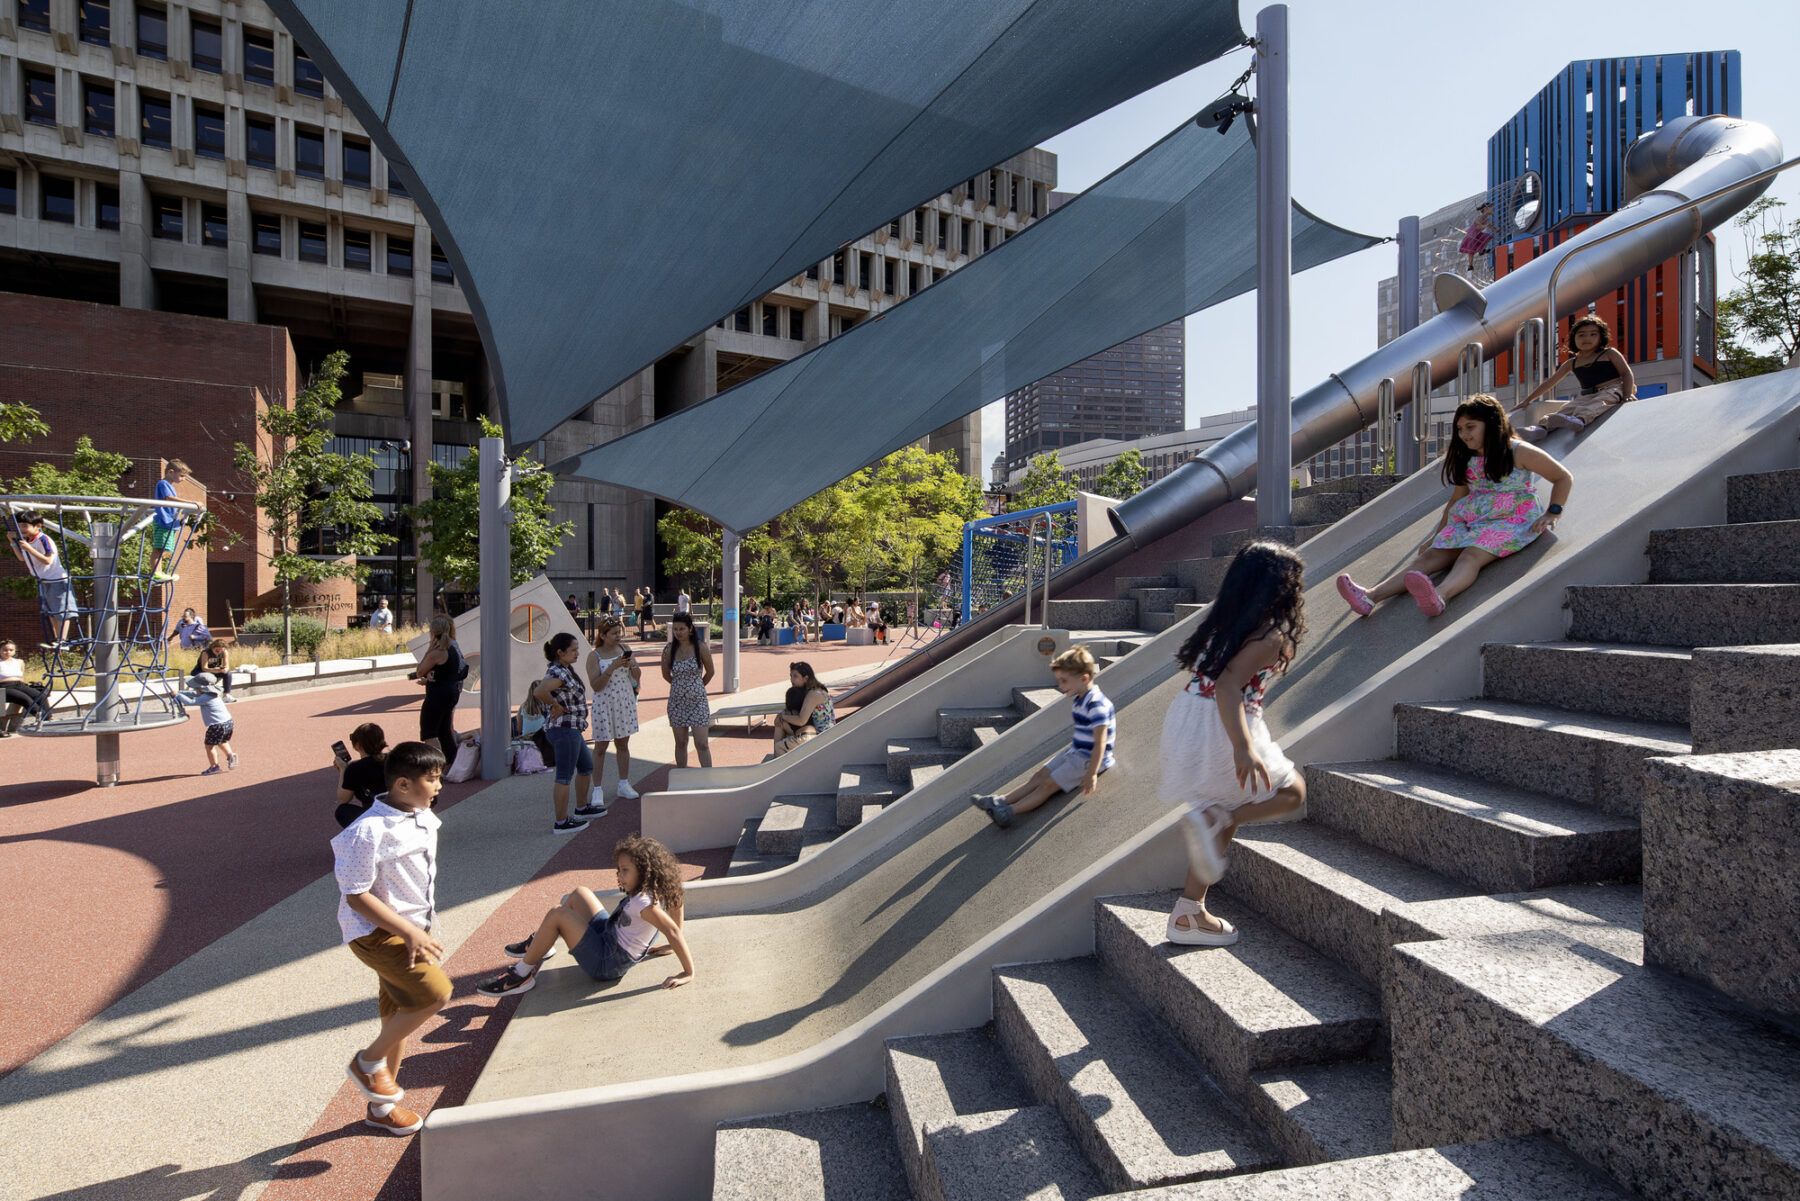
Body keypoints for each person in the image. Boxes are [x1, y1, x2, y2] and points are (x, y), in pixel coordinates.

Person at [1159, 542, 1309, 947]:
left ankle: (1190, 913)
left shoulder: (1228, 619)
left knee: (1220, 807)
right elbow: (1228, 686)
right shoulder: (1269, 635)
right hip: (1223, 720)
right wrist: (1243, 746)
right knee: (1293, 792)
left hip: (1190, 714)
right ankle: (1220, 821)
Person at [1336, 395, 1573, 618]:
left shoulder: (1518, 451)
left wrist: (1553, 511)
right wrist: (1438, 536)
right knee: (1428, 558)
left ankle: (1439, 595)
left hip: (1511, 519)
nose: (1464, 434)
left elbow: (1562, 477)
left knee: (1470, 555)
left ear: (1491, 424)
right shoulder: (1467, 459)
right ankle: (1370, 597)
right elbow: (1456, 501)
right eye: (1460, 429)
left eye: (1470, 427)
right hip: (1476, 519)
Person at [332, 741, 451, 1136]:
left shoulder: (423, 815)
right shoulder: (366, 831)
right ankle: (367, 1063)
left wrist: (420, 926)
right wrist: (409, 931)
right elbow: (356, 895)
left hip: (412, 928)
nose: (438, 785)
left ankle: (381, 1109)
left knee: (396, 1015)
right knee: (436, 994)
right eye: (431, 779)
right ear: (402, 784)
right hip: (377, 934)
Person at [477, 833, 694, 997]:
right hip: (610, 935)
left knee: (557, 914)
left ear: (645, 870)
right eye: (618, 869)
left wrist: (687, 972)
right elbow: (677, 899)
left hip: (607, 964)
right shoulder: (654, 887)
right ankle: (542, 944)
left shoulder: (645, 904)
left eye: (625, 870)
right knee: (580, 893)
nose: (619, 876)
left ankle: (521, 975)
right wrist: (670, 945)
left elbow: (672, 930)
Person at [970, 645, 1114, 828]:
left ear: (1083, 678)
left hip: (1090, 759)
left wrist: (1092, 773)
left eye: (1064, 681)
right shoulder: (1080, 697)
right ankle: (1001, 801)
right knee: (1040, 775)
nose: (1061, 686)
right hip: (1076, 750)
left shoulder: (1096, 705)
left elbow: (1100, 743)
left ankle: (1009, 812)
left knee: (1048, 785)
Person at [1514, 315, 1638, 441]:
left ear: (1601, 338)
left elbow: (1626, 373)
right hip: (1587, 395)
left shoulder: (1609, 353)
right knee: (1567, 409)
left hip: (1613, 389)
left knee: (1599, 403)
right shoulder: (1572, 362)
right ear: (1573, 339)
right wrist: (1528, 400)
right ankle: (1542, 428)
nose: (1586, 338)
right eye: (1581, 335)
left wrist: (1627, 394)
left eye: (1593, 334)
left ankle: (1580, 420)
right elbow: (1551, 382)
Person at [536, 631, 604, 834]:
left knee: (586, 766)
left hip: (572, 728)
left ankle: (582, 808)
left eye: (577, 649)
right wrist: (554, 704)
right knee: (564, 776)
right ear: (560, 652)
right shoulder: (558, 672)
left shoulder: (564, 669)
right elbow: (539, 691)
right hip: (564, 729)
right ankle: (561, 822)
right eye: (573, 650)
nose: (577, 653)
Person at [586, 617, 642, 804]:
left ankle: (624, 783)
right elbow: (596, 686)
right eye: (614, 633)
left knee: (623, 744)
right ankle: (597, 789)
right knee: (601, 746)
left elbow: (637, 675)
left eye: (620, 632)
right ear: (602, 635)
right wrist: (612, 667)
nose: (619, 636)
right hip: (604, 704)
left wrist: (631, 665)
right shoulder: (595, 656)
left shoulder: (625, 650)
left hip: (624, 701)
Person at [6, 511, 78, 647]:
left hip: (57, 580)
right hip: (44, 580)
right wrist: (13, 543)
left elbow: (47, 560)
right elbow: (22, 558)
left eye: (25, 526)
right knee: (51, 612)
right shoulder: (27, 540)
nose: (21, 530)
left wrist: (29, 549)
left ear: (37, 526)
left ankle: (62, 640)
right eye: (20, 526)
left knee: (61, 611)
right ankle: (57, 639)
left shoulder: (43, 539)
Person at [662, 612, 714, 769]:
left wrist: (697, 686)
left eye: (681, 629)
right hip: (677, 703)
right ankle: (682, 775)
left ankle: (708, 777)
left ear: (690, 629)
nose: (678, 632)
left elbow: (710, 672)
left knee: (702, 743)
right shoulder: (669, 649)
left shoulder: (701, 647)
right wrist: (680, 686)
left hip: (698, 702)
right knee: (681, 742)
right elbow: (666, 675)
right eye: (675, 629)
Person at [412, 615, 465, 762]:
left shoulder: (437, 652)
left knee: (429, 732)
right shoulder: (452, 648)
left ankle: (435, 764)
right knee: (445, 730)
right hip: (450, 692)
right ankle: (452, 763)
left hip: (437, 695)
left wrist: (429, 649)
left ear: (432, 633)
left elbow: (419, 671)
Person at [176, 671, 237, 774]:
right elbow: (194, 694)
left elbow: (190, 702)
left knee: (209, 746)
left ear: (201, 688)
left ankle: (214, 767)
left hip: (217, 725)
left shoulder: (205, 697)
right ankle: (230, 755)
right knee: (222, 741)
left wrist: (178, 695)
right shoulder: (213, 693)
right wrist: (181, 692)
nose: (195, 690)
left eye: (196, 688)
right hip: (228, 722)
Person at [771, 661, 833, 757]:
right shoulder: (813, 690)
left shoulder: (813, 694)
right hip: (816, 731)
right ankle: (777, 756)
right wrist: (781, 715)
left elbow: (801, 720)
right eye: (791, 676)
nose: (791, 680)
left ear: (806, 678)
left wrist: (783, 716)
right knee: (780, 721)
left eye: (795, 676)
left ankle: (777, 757)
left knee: (781, 722)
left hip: (822, 735)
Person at [333, 723, 389, 828]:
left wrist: (343, 769)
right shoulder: (395, 759)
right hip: (401, 811)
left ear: (358, 745)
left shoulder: (355, 768)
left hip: (376, 816)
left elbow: (344, 798)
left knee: (342, 811)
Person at [146, 459, 190, 583]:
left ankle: (158, 572)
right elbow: (169, 498)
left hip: (170, 522)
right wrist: (191, 503)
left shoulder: (169, 485)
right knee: (159, 548)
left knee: (165, 549)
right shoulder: (163, 484)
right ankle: (156, 573)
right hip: (163, 520)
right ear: (171, 472)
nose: (183, 479)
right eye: (181, 476)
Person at [0, 638, 50, 731]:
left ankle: (49, 718)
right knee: (25, 699)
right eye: (5, 650)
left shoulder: (19, 662)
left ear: (15, 651)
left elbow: (21, 676)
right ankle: (43, 718)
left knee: (41, 696)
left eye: (11, 650)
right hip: (5, 686)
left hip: (20, 685)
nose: (8, 652)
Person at [1458, 201, 1496, 273]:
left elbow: (1489, 225)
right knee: (1471, 251)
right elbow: (1477, 226)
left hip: (1477, 235)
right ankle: (1470, 265)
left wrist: (1495, 230)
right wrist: (1484, 226)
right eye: (1491, 208)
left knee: (1488, 236)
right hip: (1471, 235)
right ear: (1486, 209)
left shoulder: (1487, 219)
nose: (1493, 209)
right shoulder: (1480, 217)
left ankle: (1482, 250)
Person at [195, 636, 235, 702]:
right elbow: (204, 668)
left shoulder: (224, 652)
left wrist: (224, 669)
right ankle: (204, 694)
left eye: (221, 650)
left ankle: (226, 695)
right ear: (213, 647)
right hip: (201, 671)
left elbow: (226, 666)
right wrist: (215, 670)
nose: (219, 652)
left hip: (214, 670)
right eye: (217, 650)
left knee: (228, 673)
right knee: (208, 676)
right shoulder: (206, 653)